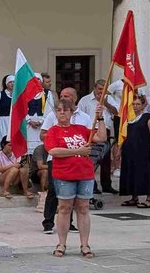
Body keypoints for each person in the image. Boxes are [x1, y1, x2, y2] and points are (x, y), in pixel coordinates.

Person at [46, 99, 107, 258]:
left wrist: (100, 118)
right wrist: (77, 151)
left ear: (72, 112)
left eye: (66, 110)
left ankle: (85, 244)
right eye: (59, 110)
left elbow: (101, 137)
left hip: (85, 173)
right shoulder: (53, 131)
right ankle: (61, 243)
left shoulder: (80, 128)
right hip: (64, 174)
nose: (62, 113)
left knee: (83, 208)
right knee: (64, 208)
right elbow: (53, 151)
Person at [39, 89, 91, 234]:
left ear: (75, 98)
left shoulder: (85, 118)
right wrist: (54, 136)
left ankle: (70, 223)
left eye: (66, 96)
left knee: (74, 197)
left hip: (78, 163)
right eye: (61, 96)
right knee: (54, 191)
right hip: (57, 160)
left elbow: (94, 135)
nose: (63, 98)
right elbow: (43, 133)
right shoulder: (52, 115)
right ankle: (48, 222)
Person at [78, 79, 119, 194]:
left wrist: (106, 103)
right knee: (91, 159)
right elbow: (80, 114)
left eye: (104, 89)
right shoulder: (85, 100)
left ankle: (106, 185)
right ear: (95, 88)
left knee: (105, 159)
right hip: (90, 130)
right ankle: (92, 185)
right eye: (100, 89)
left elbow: (116, 112)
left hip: (104, 130)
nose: (102, 91)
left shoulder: (109, 99)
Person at [119, 95, 150, 209]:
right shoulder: (128, 118)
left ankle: (149, 199)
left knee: (146, 172)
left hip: (143, 150)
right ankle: (134, 197)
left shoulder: (147, 117)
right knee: (131, 172)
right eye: (134, 104)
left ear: (143, 105)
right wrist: (119, 149)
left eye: (138, 104)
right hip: (129, 150)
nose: (135, 106)